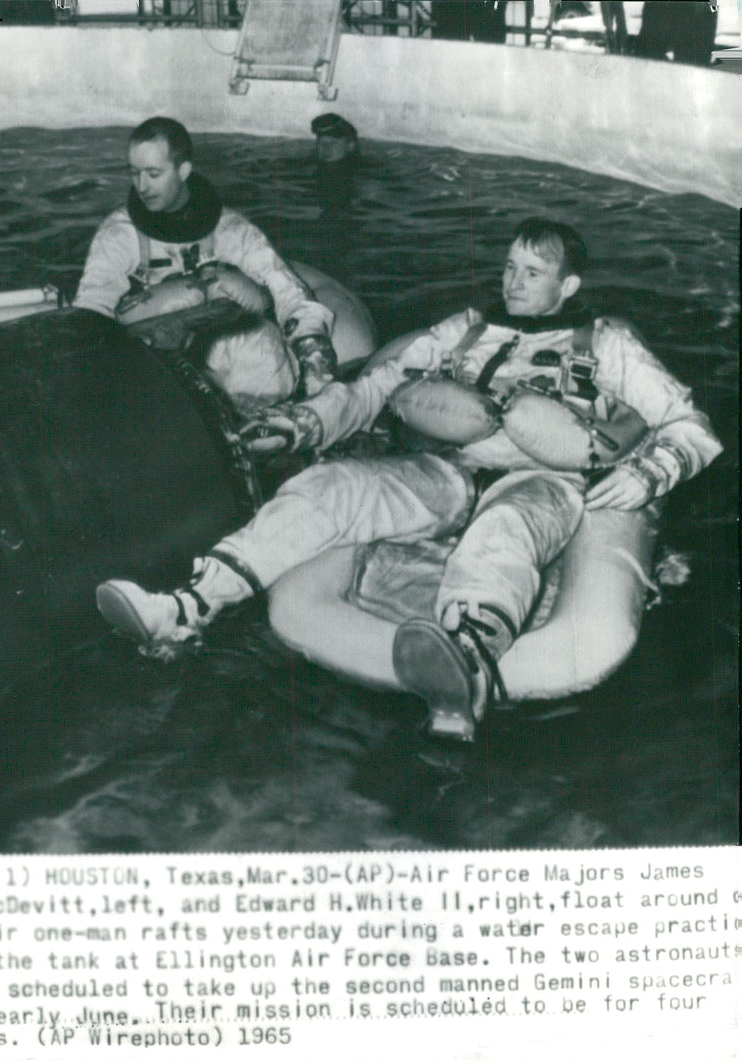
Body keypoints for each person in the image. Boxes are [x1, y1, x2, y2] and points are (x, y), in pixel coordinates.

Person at [96, 218, 722, 739]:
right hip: (447, 470)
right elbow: (373, 389)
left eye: (531, 273)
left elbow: (693, 426)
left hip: (543, 480)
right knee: (328, 488)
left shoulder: (607, 344)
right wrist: (306, 425)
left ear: (569, 284)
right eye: (508, 267)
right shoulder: (466, 330)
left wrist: (648, 473)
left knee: (503, 530)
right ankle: (185, 606)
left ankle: (464, 663)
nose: (513, 282)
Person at [74, 116, 338, 402]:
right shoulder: (119, 234)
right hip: (149, 358)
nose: (142, 186)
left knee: (265, 354)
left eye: (153, 174)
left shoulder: (228, 228)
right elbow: (91, 312)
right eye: (134, 173)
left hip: (220, 354)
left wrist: (314, 359)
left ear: (183, 170)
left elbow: (289, 291)